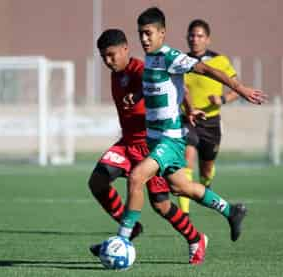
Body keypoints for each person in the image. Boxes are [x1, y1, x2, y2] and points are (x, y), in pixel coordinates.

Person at [105, 7, 266, 252]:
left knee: (137, 177)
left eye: (148, 33)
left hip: (169, 140)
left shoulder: (171, 56)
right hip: (155, 139)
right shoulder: (152, 58)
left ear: (162, 33)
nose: (144, 39)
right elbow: (166, 87)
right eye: (141, 34)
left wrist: (240, 89)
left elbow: (209, 70)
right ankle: (231, 211)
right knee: (181, 187)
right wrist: (137, 95)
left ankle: (122, 240)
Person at [89, 28, 208, 264]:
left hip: (151, 146)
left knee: (162, 205)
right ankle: (128, 231)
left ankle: (196, 238)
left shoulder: (141, 69)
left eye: (112, 55)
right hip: (127, 143)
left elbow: (180, 88)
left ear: (125, 49)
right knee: (97, 181)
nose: (108, 61)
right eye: (103, 57)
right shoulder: (117, 73)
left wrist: (190, 110)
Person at [178, 19, 240, 215]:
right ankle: (184, 214)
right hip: (187, 119)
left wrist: (222, 99)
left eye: (199, 36)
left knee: (206, 168)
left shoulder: (220, 61)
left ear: (208, 39)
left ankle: (206, 186)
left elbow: (236, 89)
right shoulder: (181, 62)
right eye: (192, 35)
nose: (194, 39)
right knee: (187, 158)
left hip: (211, 122)